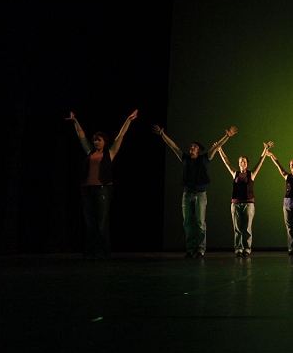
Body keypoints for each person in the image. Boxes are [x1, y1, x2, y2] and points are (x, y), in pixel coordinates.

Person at [153, 124, 237, 258]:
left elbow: (215, 147)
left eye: (194, 147)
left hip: (200, 195)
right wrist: (163, 135)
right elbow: (173, 146)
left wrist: (227, 136)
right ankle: (190, 249)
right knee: (187, 223)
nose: (191, 148)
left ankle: (200, 249)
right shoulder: (185, 159)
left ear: (198, 150)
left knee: (200, 222)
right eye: (191, 146)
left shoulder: (204, 159)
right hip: (187, 195)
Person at [66, 109, 138, 259]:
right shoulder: (90, 153)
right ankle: (90, 252)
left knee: (101, 223)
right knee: (90, 223)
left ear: (104, 142)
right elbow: (81, 136)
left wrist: (128, 120)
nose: (96, 142)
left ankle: (103, 253)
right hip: (87, 189)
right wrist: (75, 121)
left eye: (99, 140)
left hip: (103, 189)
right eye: (94, 140)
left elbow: (120, 136)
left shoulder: (109, 153)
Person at [217, 141, 272, 257]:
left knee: (247, 228)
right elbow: (226, 162)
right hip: (236, 204)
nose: (242, 163)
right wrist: (220, 149)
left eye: (244, 161)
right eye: (241, 161)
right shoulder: (235, 174)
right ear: (238, 164)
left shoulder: (251, 174)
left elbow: (260, 162)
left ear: (247, 164)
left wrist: (265, 149)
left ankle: (247, 248)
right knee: (237, 228)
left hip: (248, 204)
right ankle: (238, 248)